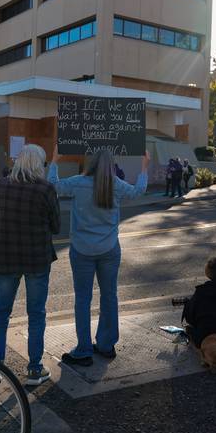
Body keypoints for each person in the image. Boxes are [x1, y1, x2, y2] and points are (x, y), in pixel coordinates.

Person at [48, 147, 150, 366]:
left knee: (83, 300)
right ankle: (106, 345)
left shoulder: (77, 182)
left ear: (91, 163)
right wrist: (144, 166)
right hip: (109, 249)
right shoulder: (116, 185)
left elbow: (53, 185)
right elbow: (138, 191)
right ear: (111, 164)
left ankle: (83, 350)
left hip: (82, 249)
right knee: (109, 296)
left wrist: (54, 160)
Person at [0, 144, 60, 386]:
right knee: (36, 314)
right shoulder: (45, 189)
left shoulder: (1, 185)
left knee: (1, 312)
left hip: (6, 258)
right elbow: (56, 226)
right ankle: (34, 369)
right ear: (39, 164)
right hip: (36, 260)